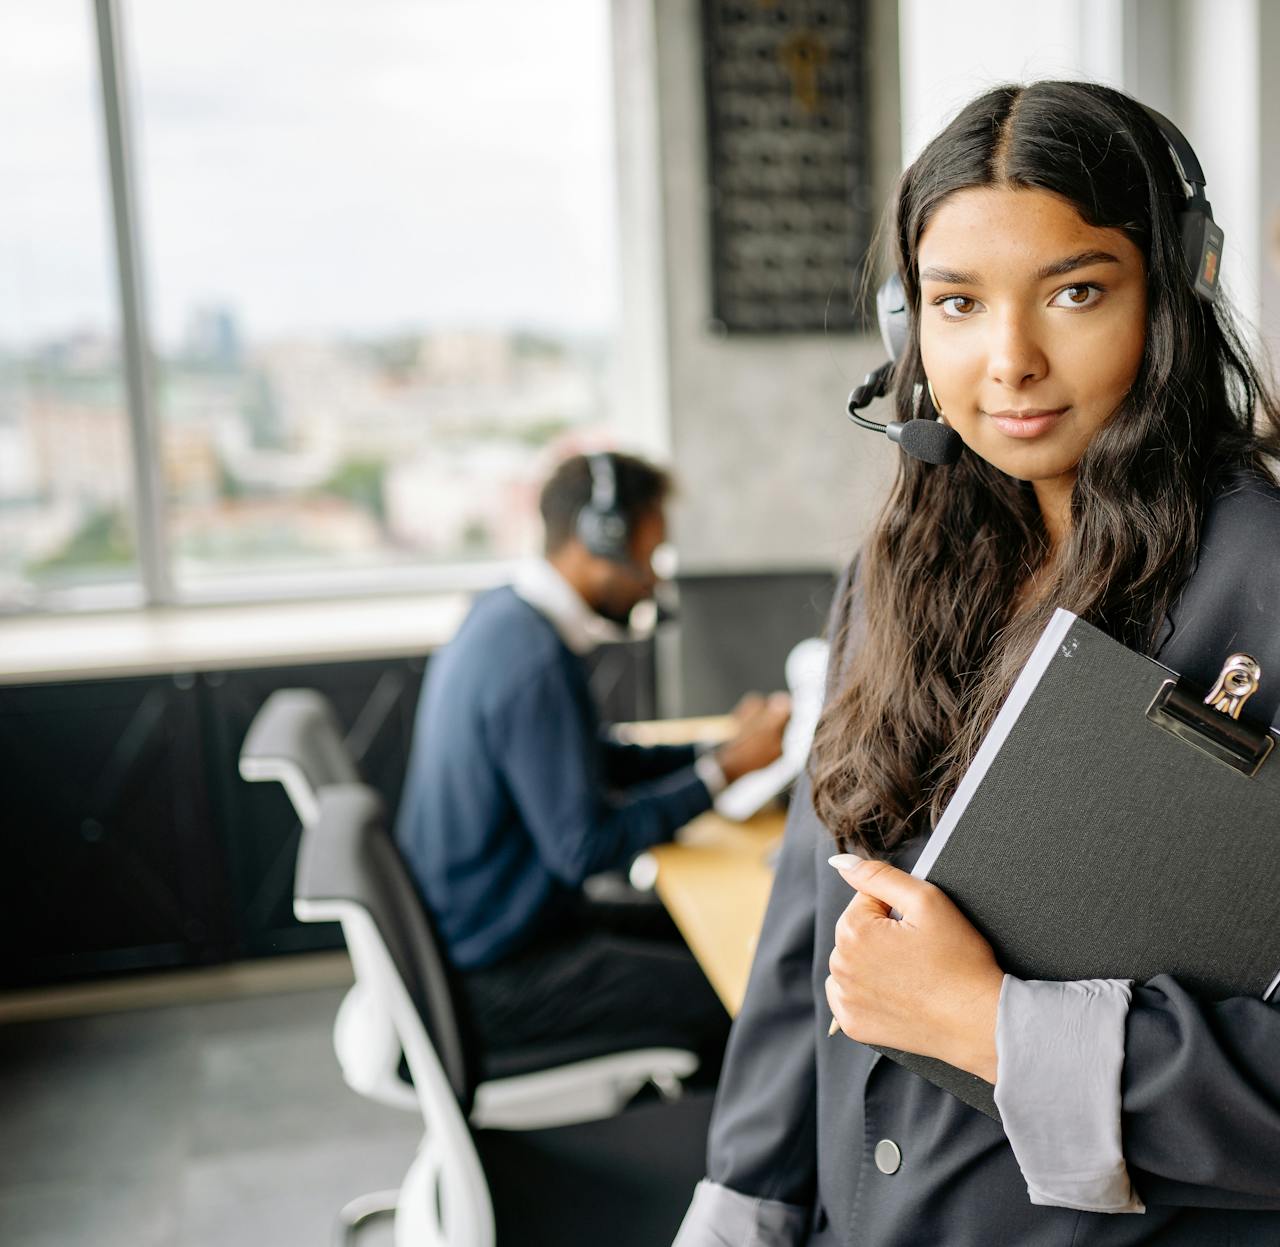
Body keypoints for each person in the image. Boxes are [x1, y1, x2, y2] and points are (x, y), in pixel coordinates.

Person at [673, 80, 1280, 1245]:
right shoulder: (895, 566)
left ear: (1173, 287)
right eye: (956, 303)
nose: (1008, 360)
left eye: (1073, 291)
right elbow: (812, 916)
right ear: (909, 327)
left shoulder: (1263, 581)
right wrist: (743, 1200)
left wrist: (995, 1024)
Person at [395, 450, 791, 1077]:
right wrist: (723, 775)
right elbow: (585, 847)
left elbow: (592, 760)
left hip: (494, 929)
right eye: (650, 557)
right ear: (600, 538)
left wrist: (716, 754)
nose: (653, 583)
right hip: (499, 968)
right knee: (737, 995)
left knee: (702, 942)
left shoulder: (504, 618)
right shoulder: (533, 664)